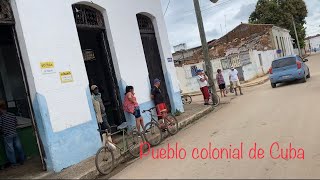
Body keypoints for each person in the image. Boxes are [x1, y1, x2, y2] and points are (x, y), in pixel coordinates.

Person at [0, 99, 25, 167]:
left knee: (10, 150)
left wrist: (4, 131)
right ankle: (22, 160)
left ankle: (14, 164)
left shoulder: (1, 117)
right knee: (19, 147)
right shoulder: (12, 114)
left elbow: (0, 127)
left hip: (7, 135)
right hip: (14, 133)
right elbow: (16, 124)